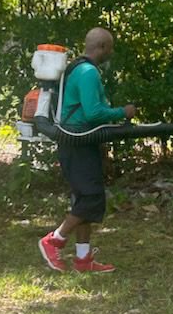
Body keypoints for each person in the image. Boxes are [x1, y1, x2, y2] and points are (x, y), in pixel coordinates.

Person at [38, 28, 136, 273]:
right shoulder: (88, 72)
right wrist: (122, 112)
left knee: (84, 198)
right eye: (110, 47)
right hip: (77, 142)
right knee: (92, 197)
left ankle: (83, 260)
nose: (111, 52)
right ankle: (54, 240)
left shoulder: (77, 68)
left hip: (79, 142)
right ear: (102, 47)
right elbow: (93, 113)